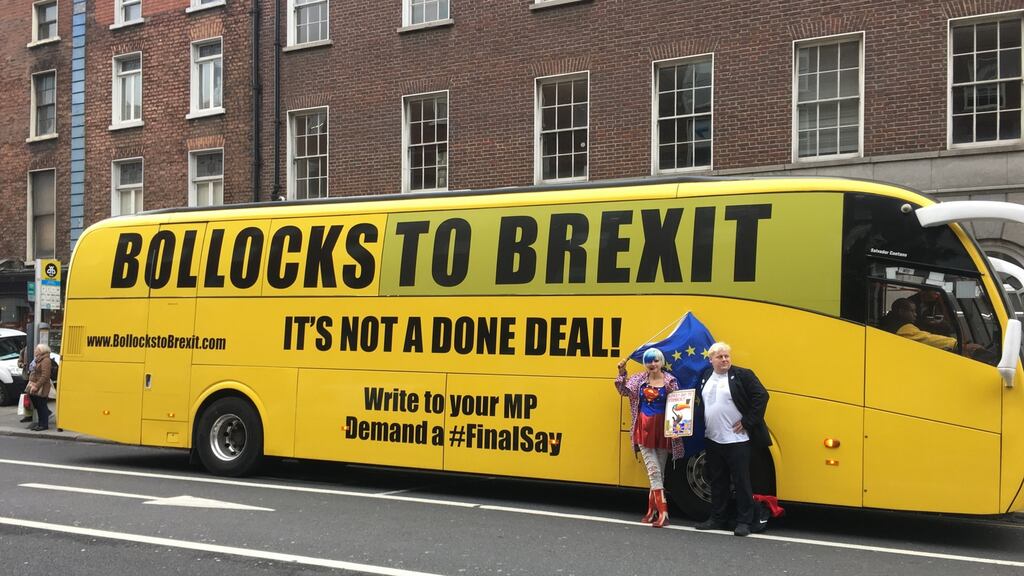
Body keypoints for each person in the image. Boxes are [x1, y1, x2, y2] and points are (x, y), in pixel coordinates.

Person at [694, 342, 769, 537]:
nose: (725, 359)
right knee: (718, 481)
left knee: (741, 481)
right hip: (712, 438)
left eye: (727, 356)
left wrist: (748, 421)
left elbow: (762, 396)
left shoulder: (743, 375)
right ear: (711, 360)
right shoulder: (705, 376)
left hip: (737, 440)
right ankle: (717, 518)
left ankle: (744, 521)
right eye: (720, 357)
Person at [615, 348, 685, 528]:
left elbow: (679, 405)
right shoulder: (638, 380)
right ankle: (664, 513)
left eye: (655, 360)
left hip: (663, 431)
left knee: (659, 472)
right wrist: (622, 372)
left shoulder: (670, 381)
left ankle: (651, 511)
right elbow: (622, 390)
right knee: (653, 470)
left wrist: (679, 426)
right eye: (649, 361)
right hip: (643, 429)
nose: (652, 364)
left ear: (661, 362)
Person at [881, 298, 983, 355]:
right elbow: (927, 338)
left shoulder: (888, 321)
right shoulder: (902, 327)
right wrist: (956, 345)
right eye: (912, 311)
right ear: (901, 311)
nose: (915, 314)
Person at [25, 344, 52, 431]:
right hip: (34, 384)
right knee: (38, 405)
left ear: (41, 351)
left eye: (37, 349)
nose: (35, 351)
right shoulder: (38, 359)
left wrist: (36, 386)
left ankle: (44, 425)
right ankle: (40, 423)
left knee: (42, 405)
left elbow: (45, 376)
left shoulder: (46, 360)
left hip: (42, 386)